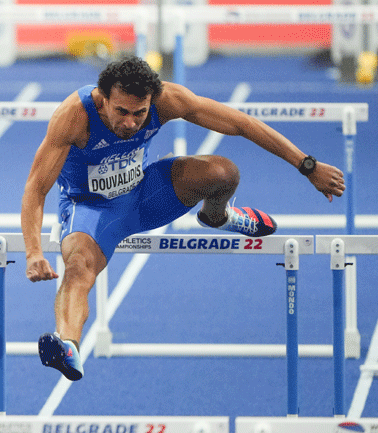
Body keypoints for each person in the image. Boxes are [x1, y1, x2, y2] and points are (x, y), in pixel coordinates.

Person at [21, 56, 345, 381]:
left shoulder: (167, 99)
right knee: (78, 268)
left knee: (223, 172)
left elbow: (242, 124)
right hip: (91, 209)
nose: (132, 123)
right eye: (122, 112)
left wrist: (308, 166)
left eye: (140, 113)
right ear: (103, 98)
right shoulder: (74, 116)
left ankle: (217, 216)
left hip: (145, 194)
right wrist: (34, 252)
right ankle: (68, 346)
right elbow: (36, 188)